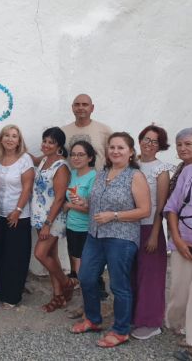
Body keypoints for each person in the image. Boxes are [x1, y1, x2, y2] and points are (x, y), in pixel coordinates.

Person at [71, 132, 151, 348]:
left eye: (121, 148)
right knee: (86, 277)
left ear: (131, 152)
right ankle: (93, 320)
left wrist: (113, 216)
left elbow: (145, 210)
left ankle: (121, 330)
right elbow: (95, 205)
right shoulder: (102, 173)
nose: (115, 151)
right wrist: (83, 201)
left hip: (121, 238)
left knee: (119, 285)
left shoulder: (135, 176)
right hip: (95, 235)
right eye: (112, 147)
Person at [62, 93, 113, 300]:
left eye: (85, 104)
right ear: (72, 107)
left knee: (93, 251)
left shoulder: (104, 130)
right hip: (75, 187)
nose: (81, 108)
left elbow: (114, 154)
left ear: (92, 107)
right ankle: (86, 293)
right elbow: (57, 153)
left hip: (97, 190)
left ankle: (96, 291)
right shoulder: (65, 131)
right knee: (78, 253)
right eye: (77, 104)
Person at [131, 125, 172, 340]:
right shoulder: (132, 163)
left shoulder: (161, 169)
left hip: (150, 228)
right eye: (146, 139)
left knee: (150, 276)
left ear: (160, 146)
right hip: (129, 226)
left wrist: (155, 234)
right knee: (132, 274)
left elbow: (161, 206)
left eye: (154, 141)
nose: (148, 144)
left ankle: (151, 321)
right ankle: (134, 316)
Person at [0, 125, 35, 309]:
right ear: (1, 139)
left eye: (14, 136)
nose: (10, 139)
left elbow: (27, 187)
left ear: (19, 140)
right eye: (7, 135)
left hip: (19, 215)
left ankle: (12, 296)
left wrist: (18, 210)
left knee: (15, 257)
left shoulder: (25, 160)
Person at [32, 127, 73, 312]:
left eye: (51, 142)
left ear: (59, 146)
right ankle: (58, 298)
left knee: (40, 254)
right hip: (39, 217)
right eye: (44, 141)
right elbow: (32, 159)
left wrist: (48, 224)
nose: (46, 145)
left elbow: (59, 198)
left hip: (52, 219)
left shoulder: (61, 166)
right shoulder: (44, 161)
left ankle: (67, 283)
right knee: (51, 256)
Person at [164, 128, 192, 357]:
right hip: (183, 239)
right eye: (180, 144)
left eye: (189, 144)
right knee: (179, 290)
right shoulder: (184, 172)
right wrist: (177, 239)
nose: (183, 148)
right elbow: (171, 208)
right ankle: (178, 325)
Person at [63, 141, 97, 280]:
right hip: (71, 226)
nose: (76, 158)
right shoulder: (73, 174)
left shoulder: (94, 176)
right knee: (75, 260)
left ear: (90, 158)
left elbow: (92, 208)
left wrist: (69, 206)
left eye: (81, 155)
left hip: (86, 228)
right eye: (73, 155)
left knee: (85, 265)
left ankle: (89, 294)